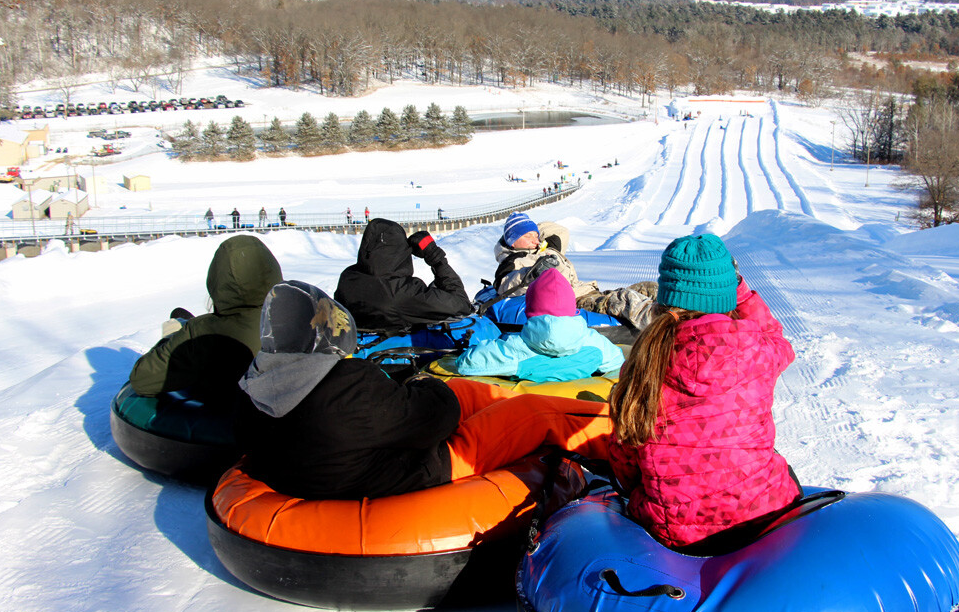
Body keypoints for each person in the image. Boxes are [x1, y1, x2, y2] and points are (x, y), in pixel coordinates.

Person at [236, 281, 612, 500]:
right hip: (424, 466)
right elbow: (436, 419)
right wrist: (423, 387)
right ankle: (616, 442)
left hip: (341, 466)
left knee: (470, 392)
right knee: (534, 412)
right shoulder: (344, 390)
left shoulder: (257, 387)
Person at [607, 233, 801, 550]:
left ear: (667, 295)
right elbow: (779, 340)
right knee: (781, 470)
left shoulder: (645, 360)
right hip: (762, 518)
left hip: (677, 533)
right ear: (726, 293)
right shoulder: (758, 349)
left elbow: (626, 458)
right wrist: (740, 292)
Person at [129, 235, 283, 403]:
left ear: (218, 279)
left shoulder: (204, 333)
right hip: (294, 420)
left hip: (228, 419)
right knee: (180, 314)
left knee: (178, 318)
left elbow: (142, 380)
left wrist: (170, 338)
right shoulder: (300, 316)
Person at [492, 211, 657, 331]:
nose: (535, 241)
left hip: (589, 291)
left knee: (649, 287)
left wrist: (534, 231)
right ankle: (665, 327)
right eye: (528, 237)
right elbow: (504, 285)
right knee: (624, 299)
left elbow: (560, 231)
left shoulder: (546, 249)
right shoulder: (513, 261)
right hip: (575, 299)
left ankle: (679, 314)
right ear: (512, 241)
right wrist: (532, 273)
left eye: (536, 236)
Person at [457, 268, 624, 383]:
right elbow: (618, 361)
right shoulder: (595, 343)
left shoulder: (514, 349)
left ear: (529, 309)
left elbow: (466, 363)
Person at [334, 218, 471, 331]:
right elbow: (462, 304)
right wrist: (436, 258)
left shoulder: (348, 277)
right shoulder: (402, 291)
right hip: (400, 356)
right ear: (401, 250)